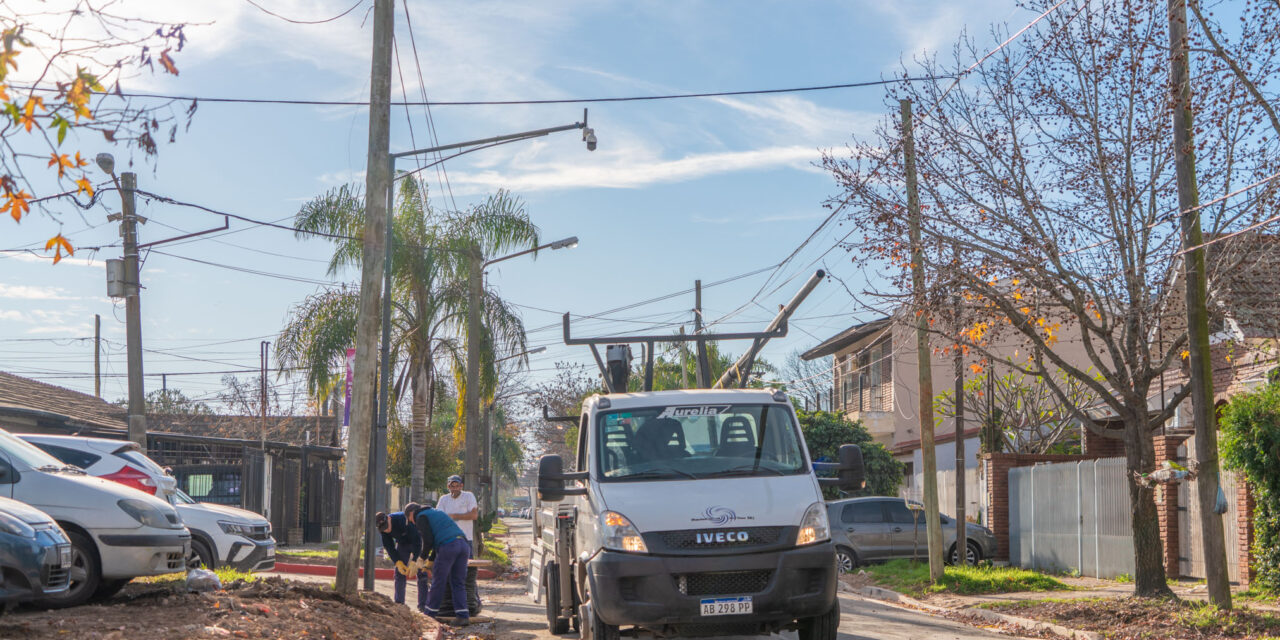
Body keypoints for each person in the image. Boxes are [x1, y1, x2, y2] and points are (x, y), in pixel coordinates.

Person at [404, 501, 470, 627]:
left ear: (411, 513)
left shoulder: (420, 517)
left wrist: (421, 559)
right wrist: (431, 561)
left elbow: (428, 541)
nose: (412, 522)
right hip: (463, 545)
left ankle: (429, 615)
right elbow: (436, 540)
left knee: (438, 582)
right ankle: (463, 616)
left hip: (449, 546)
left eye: (409, 519)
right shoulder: (436, 512)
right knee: (458, 582)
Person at [375, 510, 428, 610]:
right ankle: (399, 605)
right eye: (383, 529)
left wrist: (415, 561)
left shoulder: (403, 519)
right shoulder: (384, 531)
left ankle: (423, 606)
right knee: (399, 574)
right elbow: (389, 546)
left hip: (417, 541)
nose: (386, 530)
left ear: (389, 518)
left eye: (387, 526)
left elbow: (417, 541)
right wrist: (397, 561)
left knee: (422, 573)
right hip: (402, 544)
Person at [435, 475, 479, 548]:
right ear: (448, 486)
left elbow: (474, 515)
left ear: (461, 486)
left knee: (467, 560)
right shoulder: (443, 499)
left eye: (457, 486)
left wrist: (453, 516)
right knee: (448, 559)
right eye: (452, 486)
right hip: (448, 539)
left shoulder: (468, 496)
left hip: (465, 538)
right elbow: (438, 518)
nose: (455, 488)